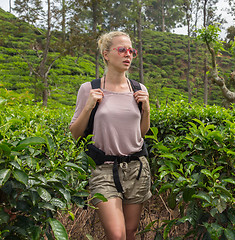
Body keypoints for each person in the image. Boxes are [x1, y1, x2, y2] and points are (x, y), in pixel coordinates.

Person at [69, 31, 151, 240]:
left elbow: (140, 133)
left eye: (131, 51)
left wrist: (147, 110)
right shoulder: (89, 89)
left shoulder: (138, 89)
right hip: (104, 169)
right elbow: (75, 134)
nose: (128, 55)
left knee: (131, 232)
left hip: (136, 168)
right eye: (122, 49)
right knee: (116, 234)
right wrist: (88, 106)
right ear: (106, 54)